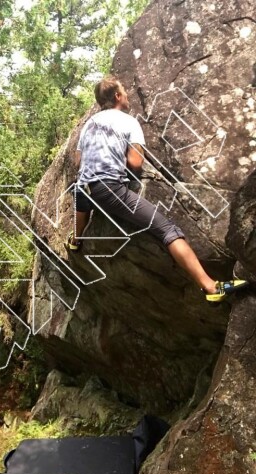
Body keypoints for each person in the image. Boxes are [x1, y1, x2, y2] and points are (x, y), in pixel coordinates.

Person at [67, 75, 247, 303]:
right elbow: (135, 162)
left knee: (83, 203)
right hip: (109, 189)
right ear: (117, 96)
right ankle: (211, 288)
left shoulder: (89, 125)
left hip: (83, 188)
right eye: (125, 91)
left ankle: (75, 240)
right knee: (167, 230)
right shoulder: (128, 121)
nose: (128, 95)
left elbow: (78, 162)